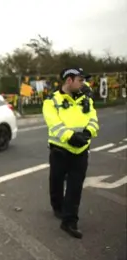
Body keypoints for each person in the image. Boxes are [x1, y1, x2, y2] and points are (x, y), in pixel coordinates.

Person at [42, 67, 99, 239]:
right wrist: (71, 136)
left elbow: (93, 119)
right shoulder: (51, 101)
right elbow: (54, 124)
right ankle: (57, 207)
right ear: (69, 80)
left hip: (81, 150)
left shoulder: (86, 99)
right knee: (56, 181)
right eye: (81, 80)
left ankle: (69, 221)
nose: (84, 83)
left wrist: (88, 133)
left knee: (75, 187)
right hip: (60, 150)